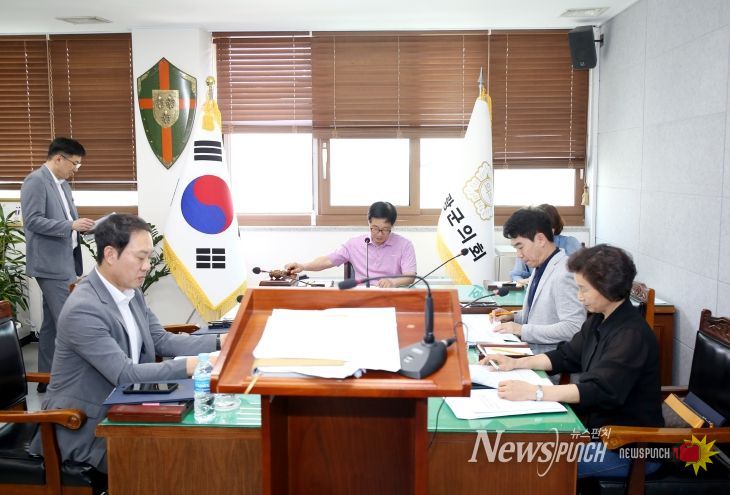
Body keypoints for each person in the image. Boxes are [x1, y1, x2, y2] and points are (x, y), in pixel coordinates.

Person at [30, 214, 224, 473]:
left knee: (202, 445)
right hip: (85, 427)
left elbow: (160, 339)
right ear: (110, 254)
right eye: (140, 258)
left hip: (127, 407)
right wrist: (199, 364)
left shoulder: (131, 292)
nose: (147, 266)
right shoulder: (84, 308)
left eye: (149, 258)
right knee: (182, 460)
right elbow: (125, 374)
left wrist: (221, 342)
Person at [482, 245, 663, 478]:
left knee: (530, 458)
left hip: (629, 448)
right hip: (599, 434)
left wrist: (534, 392)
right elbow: (566, 355)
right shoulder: (599, 319)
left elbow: (598, 390)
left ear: (608, 288)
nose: (579, 297)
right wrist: (516, 363)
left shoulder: (631, 336)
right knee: (520, 446)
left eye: (583, 289)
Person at [20, 137, 96, 392]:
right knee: (69, 319)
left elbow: (68, 220)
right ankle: (72, 381)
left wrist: (83, 227)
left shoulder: (63, 185)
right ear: (59, 158)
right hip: (50, 264)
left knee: (52, 325)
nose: (76, 169)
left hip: (66, 259)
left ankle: (47, 379)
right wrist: (70, 225)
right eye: (75, 163)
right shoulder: (36, 181)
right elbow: (33, 221)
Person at [494, 207, 585, 355]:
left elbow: (574, 327)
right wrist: (514, 317)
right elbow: (542, 316)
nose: (519, 255)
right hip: (531, 353)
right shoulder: (540, 266)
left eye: (520, 247)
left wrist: (521, 330)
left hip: (550, 361)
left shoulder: (564, 273)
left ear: (541, 239)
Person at [286, 201, 416, 287]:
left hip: (392, 295)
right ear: (369, 223)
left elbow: (410, 276)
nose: (379, 234)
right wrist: (303, 266)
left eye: (385, 229)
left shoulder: (404, 245)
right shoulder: (354, 244)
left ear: (392, 226)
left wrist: (393, 282)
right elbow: (327, 261)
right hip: (362, 297)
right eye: (375, 228)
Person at [509, 203, 581, 283]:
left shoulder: (569, 243)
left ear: (553, 229)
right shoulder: (527, 248)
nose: (519, 254)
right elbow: (516, 274)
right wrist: (525, 281)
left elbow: (579, 273)